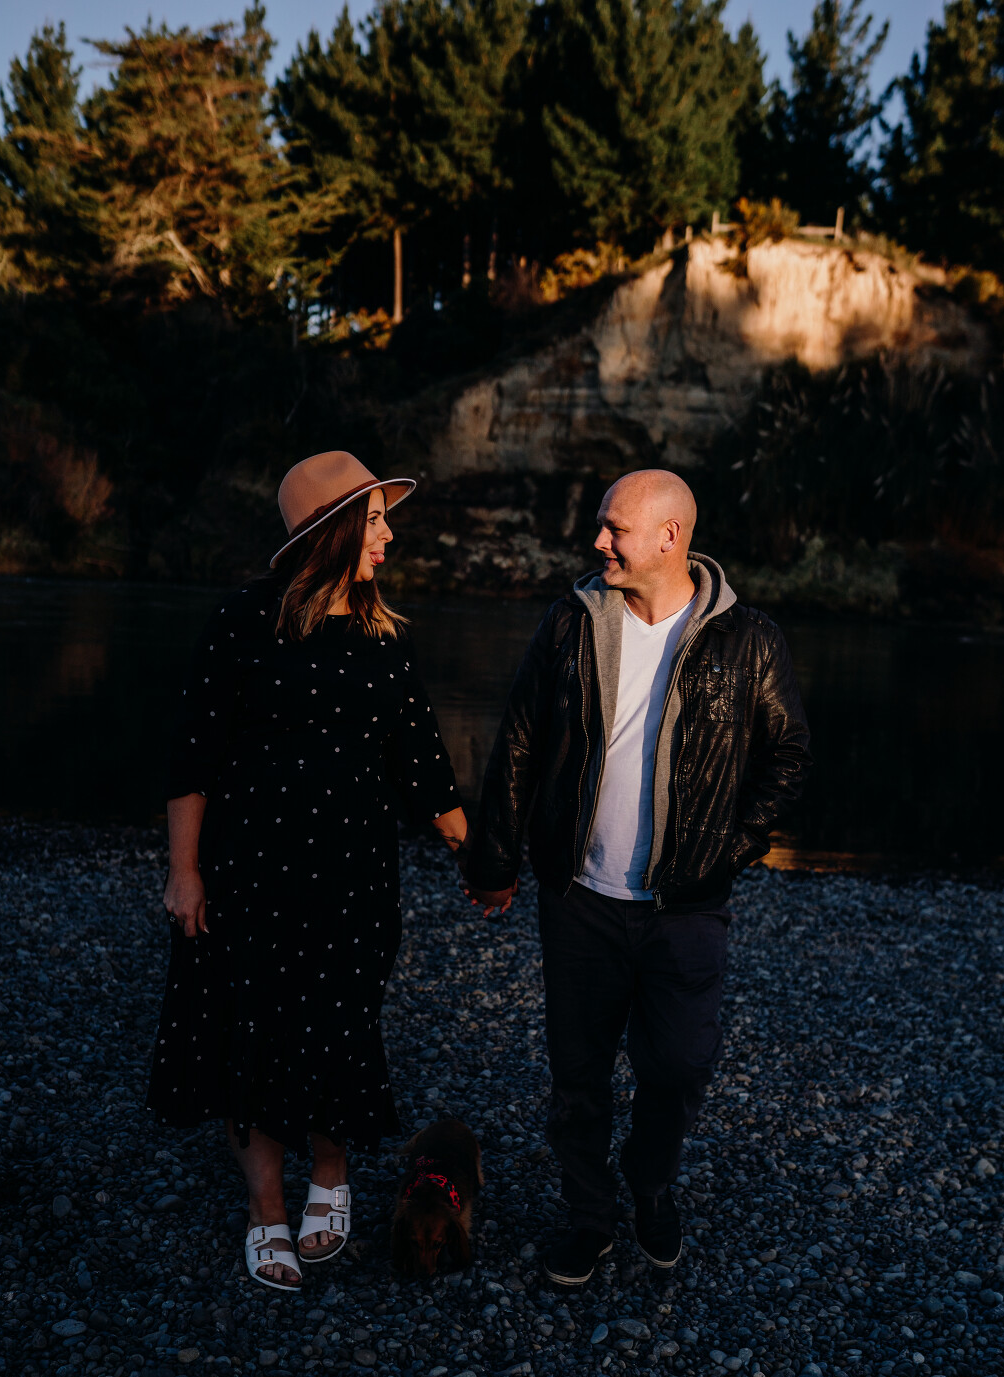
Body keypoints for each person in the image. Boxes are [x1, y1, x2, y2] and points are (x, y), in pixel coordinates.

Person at [465, 469, 811, 1286]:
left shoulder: (747, 638)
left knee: (679, 1066)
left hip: (686, 904)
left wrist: (730, 846)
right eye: (600, 525)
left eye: (613, 528)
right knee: (577, 1078)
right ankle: (588, 1219)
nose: (597, 542)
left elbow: (789, 756)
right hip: (579, 898)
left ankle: (650, 1184)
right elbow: (518, 742)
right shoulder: (570, 621)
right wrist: (494, 860)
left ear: (668, 537)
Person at [148, 451, 467, 1291]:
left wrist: (482, 858)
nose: (389, 535)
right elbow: (192, 757)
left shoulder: (384, 637)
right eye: (375, 521)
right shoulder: (241, 621)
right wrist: (183, 872)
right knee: (250, 1037)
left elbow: (425, 768)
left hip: (355, 880)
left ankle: (330, 1172)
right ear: (332, 531)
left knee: (341, 1030)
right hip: (248, 874)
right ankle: (267, 1211)